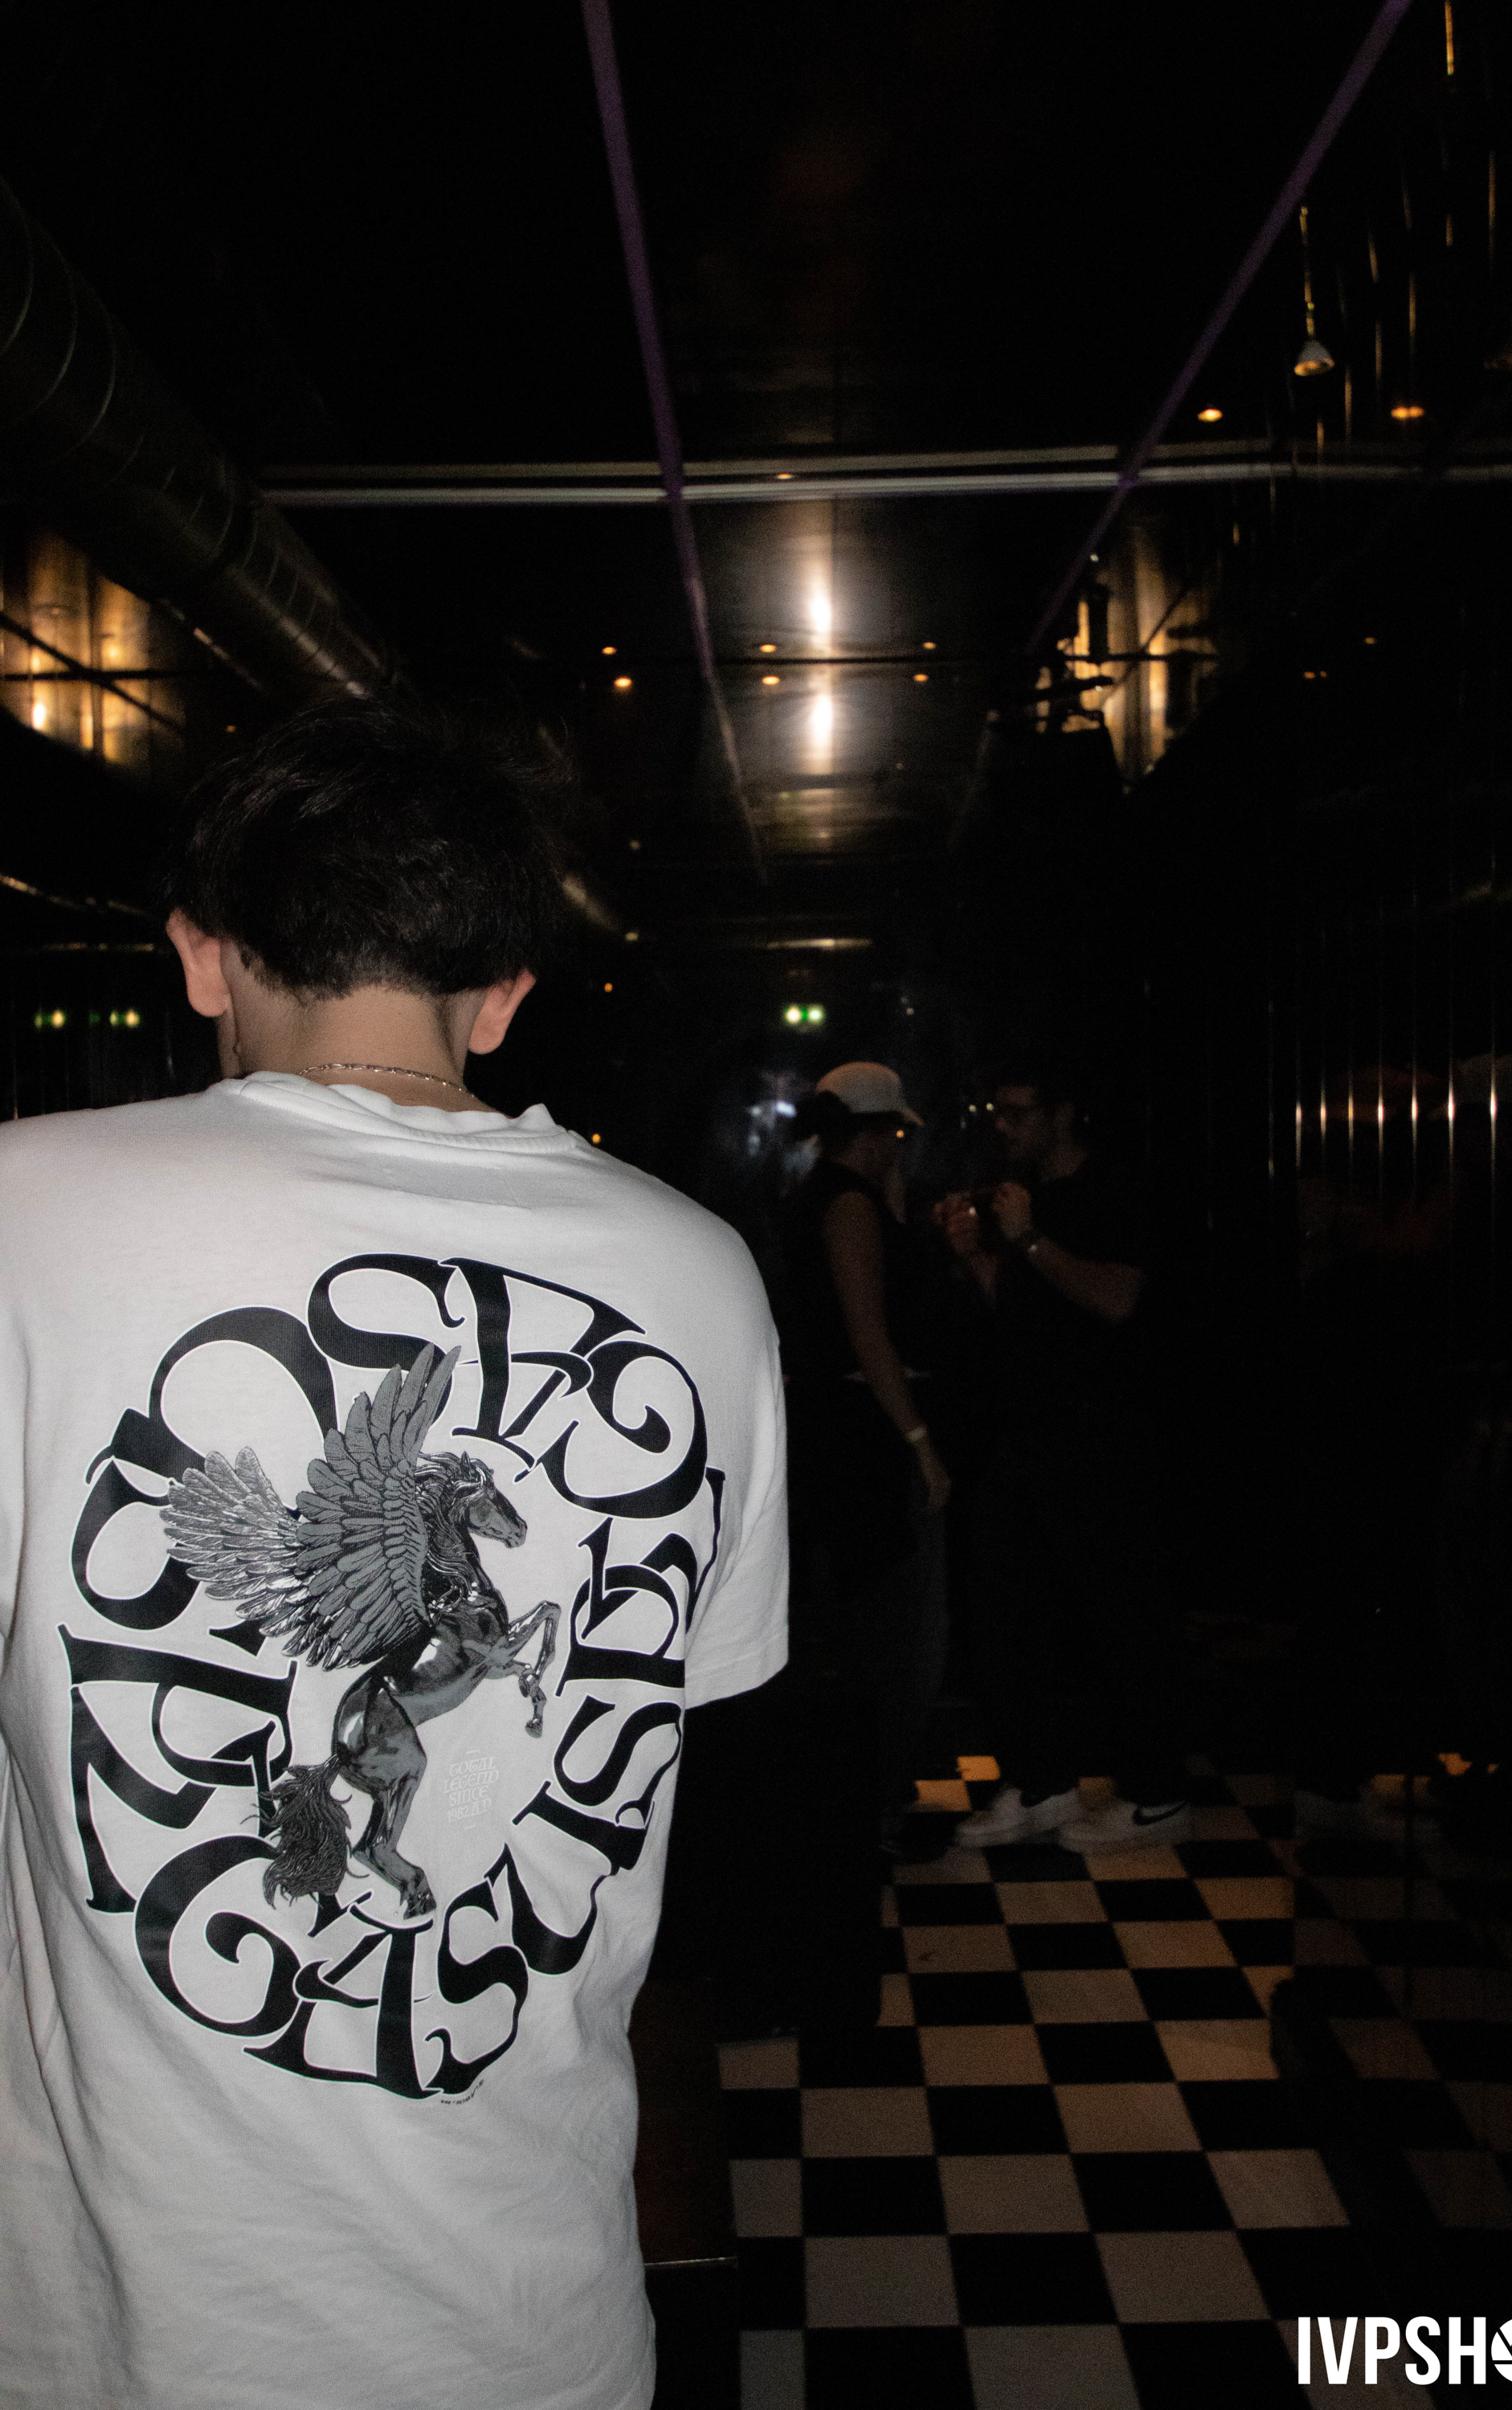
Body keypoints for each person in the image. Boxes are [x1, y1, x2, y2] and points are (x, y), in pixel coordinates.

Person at [0, 699, 787, 2410]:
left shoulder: (21, 1212)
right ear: (501, 994)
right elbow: (662, 1719)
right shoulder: (702, 1273)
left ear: (200, 955)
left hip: (129, 2338)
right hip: (534, 2324)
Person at [935, 1059, 1188, 1852]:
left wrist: (1027, 1239)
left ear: (1063, 1114)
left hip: (1099, 1433)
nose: (1003, 1126)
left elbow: (1116, 1299)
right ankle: (1040, 1781)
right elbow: (1023, 1313)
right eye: (997, 1111)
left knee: (1119, 1615)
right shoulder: (1024, 1199)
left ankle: (1157, 1789)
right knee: (1006, 1611)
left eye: (1018, 1111)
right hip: (1028, 1428)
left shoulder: (1110, 1189)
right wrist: (977, 1256)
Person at [779, 1062, 949, 1860]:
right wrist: (921, 1445)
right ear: (879, 1135)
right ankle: (876, 1804)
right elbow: (870, 1337)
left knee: (867, 1622)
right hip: (863, 1435)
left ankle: (870, 1799)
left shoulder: (825, 1194)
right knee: (897, 1626)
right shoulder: (846, 1203)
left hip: (835, 1429)